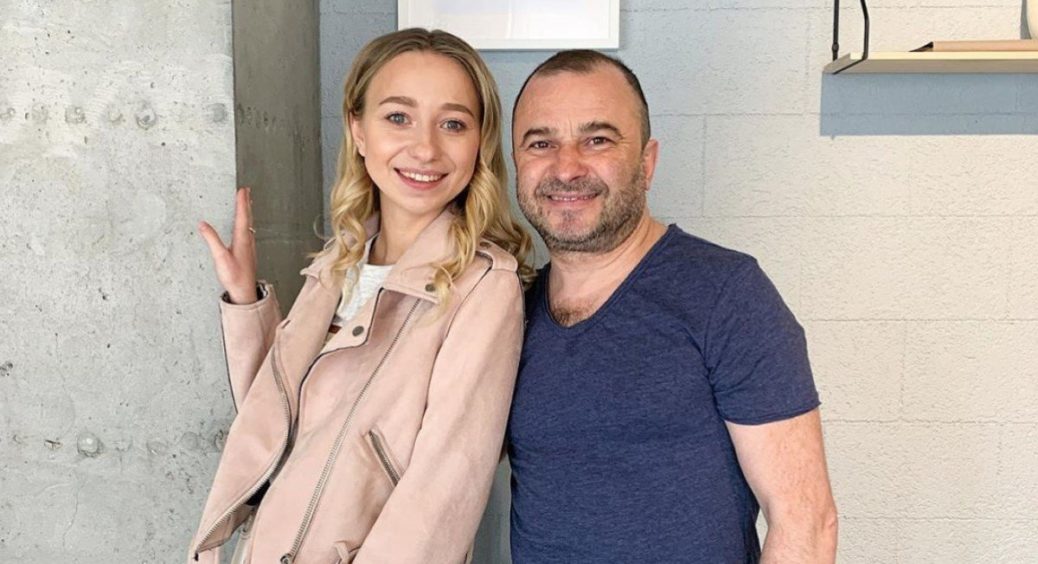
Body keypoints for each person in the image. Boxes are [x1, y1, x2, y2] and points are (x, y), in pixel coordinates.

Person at [189, 28, 533, 564]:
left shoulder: (484, 286)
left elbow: (443, 494)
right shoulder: (339, 262)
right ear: (359, 130)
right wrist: (245, 301)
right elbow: (276, 421)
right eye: (398, 117)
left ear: (479, 142)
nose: (426, 148)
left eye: (453, 124)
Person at [506, 50, 838, 563]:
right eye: (541, 143)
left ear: (647, 162)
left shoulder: (726, 294)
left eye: (597, 140)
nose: (566, 168)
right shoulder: (510, 312)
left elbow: (806, 520)